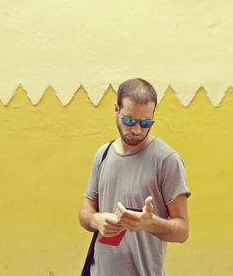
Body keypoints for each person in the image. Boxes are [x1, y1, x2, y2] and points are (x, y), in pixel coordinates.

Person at [79, 78, 191, 276]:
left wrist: (151, 223)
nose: (137, 130)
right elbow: (85, 211)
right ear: (116, 109)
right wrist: (96, 220)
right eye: (129, 121)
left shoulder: (167, 161)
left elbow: (182, 230)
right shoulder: (103, 155)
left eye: (146, 122)